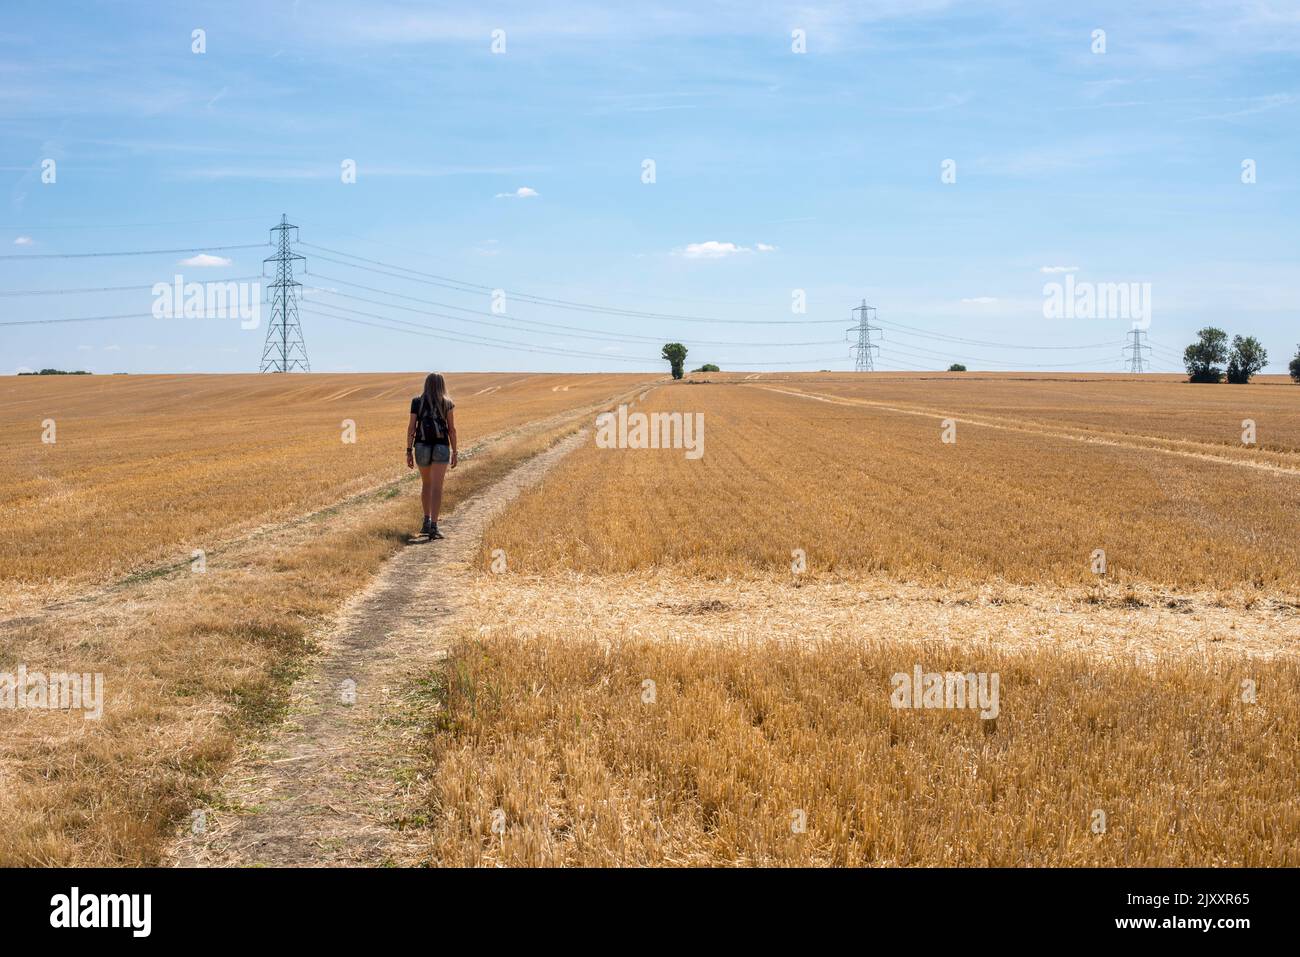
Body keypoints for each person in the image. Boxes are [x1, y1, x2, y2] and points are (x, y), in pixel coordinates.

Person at [405, 372, 458, 538]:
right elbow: (451, 429)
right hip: (441, 446)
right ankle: (434, 527)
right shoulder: (447, 402)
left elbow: (411, 428)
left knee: (426, 484)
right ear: (442, 384)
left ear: (426, 384)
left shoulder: (417, 402)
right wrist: (455, 451)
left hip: (421, 445)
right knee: (437, 487)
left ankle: (426, 522)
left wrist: (408, 451)